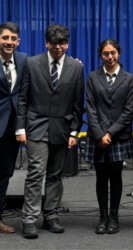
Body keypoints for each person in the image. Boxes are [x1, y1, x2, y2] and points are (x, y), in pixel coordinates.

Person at [15, 24, 85, 239]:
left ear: (67, 43)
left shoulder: (76, 67)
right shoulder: (31, 63)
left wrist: (74, 132)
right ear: (46, 43)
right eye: (54, 43)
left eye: (62, 43)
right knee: (36, 172)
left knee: (55, 175)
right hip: (35, 128)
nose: (58, 47)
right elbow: (23, 98)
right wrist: (20, 127)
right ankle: (29, 218)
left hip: (62, 130)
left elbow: (77, 103)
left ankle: (51, 216)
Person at [85, 39, 133, 234]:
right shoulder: (92, 77)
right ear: (101, 55)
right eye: (106, 53)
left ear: (119, 53)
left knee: (115, 176)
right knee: (100, 177)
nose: (110, 57)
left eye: (113, 52)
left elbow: (128, 110)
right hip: (97, 137)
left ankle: (114, 217)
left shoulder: (128, 78)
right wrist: (100, 134)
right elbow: (90, 107)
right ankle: (102, 216)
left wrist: (110, 133)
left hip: (118, 136)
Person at [0, 22, 28, 234]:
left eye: (13, 39)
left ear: (18, 41)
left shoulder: (23, 59)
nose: (9, 42)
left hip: (12, 129)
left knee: (5, 173)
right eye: (5, 37)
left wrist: (73, 64)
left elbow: (44, 70)